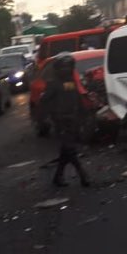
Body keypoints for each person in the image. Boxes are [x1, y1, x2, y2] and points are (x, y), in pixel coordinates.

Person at [39, 52, 91, 188]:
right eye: (64, 67)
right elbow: (44, 102)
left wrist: (83, 114)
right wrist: (46, 119)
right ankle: (83, 175)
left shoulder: (71, 82)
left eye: (69, 67)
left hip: (72, 120)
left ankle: (57, 177)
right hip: (60, 121)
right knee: (70, 149)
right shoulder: (53, 84)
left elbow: (77, 98)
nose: (67, 70)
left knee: (66, 151)